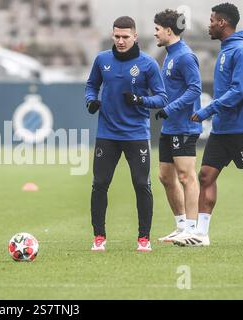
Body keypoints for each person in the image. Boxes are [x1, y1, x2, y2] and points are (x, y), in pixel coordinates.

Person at [85, 16, 168, 252]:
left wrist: (141, 100)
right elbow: (91, 85)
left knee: (142, 184)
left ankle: (144, 238)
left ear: (134, 36)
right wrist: (91, 100)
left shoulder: (148, 64)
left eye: (125, 37)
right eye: (117, 36)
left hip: (136, 135)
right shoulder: (102, 60)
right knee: (99, 184)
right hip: (107, 134)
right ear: (113, 35)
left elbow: (162, 98)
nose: (120, 41)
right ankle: (99, 237)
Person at [185, 3, 243, 246]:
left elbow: (238, 91)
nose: (209, 24)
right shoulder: (226, 49)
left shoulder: (241, 51)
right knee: (206, 176)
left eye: (212, 20)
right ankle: (201, 234)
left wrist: (208, 109)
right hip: (222, 129)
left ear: (223, 23)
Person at [153, 9, 203, 245]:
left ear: (168, 30)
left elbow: (195, 89)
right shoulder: (170, 54)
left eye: (157, 29)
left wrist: (170, 108)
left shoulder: (184, 56)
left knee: (186, 176)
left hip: (184, 126)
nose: (155, 33)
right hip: (170, 126)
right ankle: (181, 225)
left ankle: (192, 231)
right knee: (165, 176)